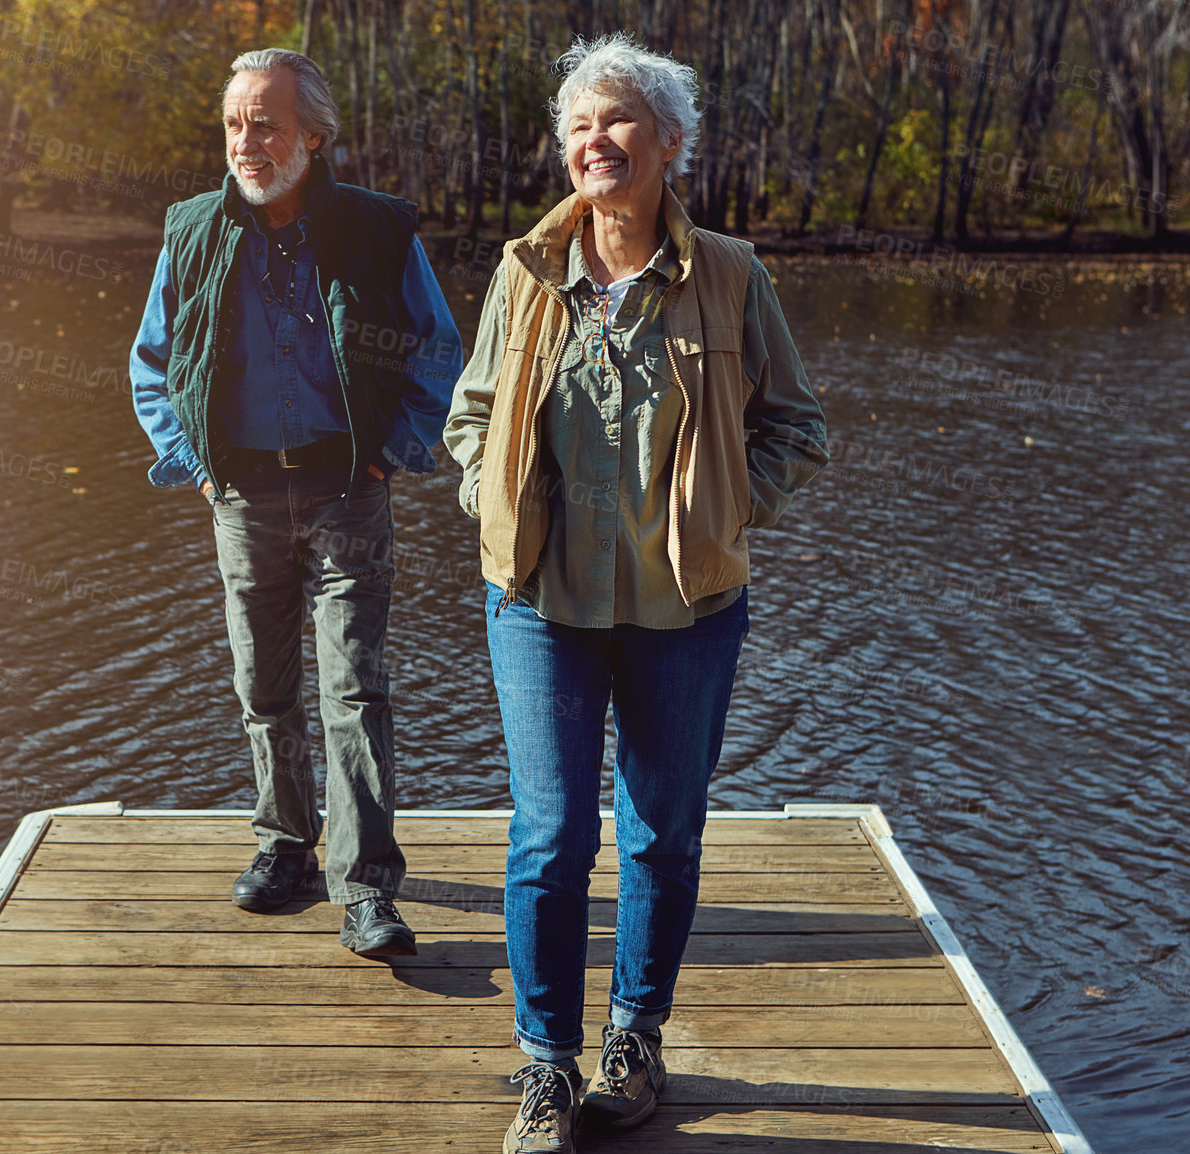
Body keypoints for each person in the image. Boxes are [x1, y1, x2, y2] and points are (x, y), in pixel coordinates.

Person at [443, 32, 829, 1151]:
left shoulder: (730, 275)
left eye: (616, 121)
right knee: (549, 836)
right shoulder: (523, 274)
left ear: (669, 142)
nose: (593, 140)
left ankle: (635, 1042)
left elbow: (797, 429)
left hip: (686, 612)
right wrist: (485, 493)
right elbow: (469, 413)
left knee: (662, 832)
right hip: (539, 604)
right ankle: (546, 1069)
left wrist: (723, 514)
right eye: (576, 126)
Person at [130, 48, 462, 959]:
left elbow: (439, 349)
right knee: (263, 686)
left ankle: (364, 889)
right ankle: (284, 847)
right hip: (239, 490)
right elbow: (151, 365)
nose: (248, 140)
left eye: (266, 122)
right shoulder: (193, 230)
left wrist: (394, 454)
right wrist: (193, 463)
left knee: (354, 688)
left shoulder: (377, 229)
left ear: (313, 136)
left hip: (348, 485)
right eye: (235, 123)